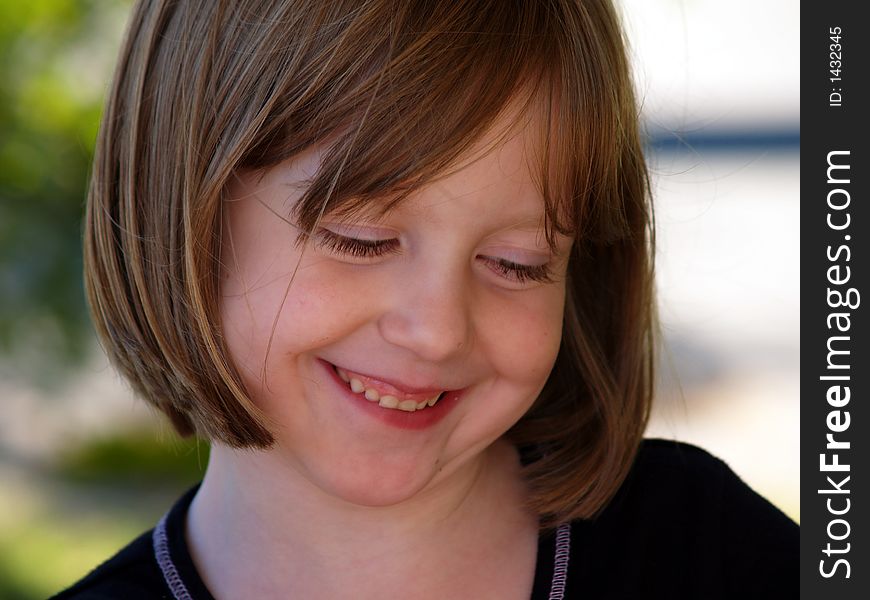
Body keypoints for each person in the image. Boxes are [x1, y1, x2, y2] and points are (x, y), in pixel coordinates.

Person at [52, 1, 798, 598]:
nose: (437, 331)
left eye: (516, 263)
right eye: (361, 239)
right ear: (184, 211)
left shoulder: (708, 550)